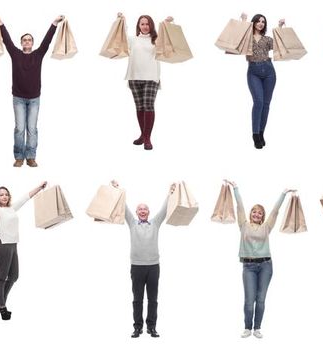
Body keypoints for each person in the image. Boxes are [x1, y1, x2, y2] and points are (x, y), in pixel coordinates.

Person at [224, 180, 294, 339]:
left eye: (260, 213)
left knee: (260, 299)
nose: (257, 214)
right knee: (249, 300)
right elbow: (239, 206)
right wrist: (235, 187)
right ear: (250, 214)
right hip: (248, 267)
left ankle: (257, 328)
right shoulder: (243, 225)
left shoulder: (266, 227)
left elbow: (275, 211)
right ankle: (247, 327)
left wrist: (284, 193)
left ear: (262, 216)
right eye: (254, 212)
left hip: (265, 265)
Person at [0, 13, 63, 167]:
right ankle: (19, 157)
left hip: (34, 99)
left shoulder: (39, 54)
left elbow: (47, 41)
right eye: (24, 39)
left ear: (32, 43)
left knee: (32, 128)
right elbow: (6, 40)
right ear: (21, 43)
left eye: (29, 40)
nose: (27, 41)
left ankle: (31, 156)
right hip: (18, 97)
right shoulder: (16, 54)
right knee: (19, 128)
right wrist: (0, 23)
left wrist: (54, 23)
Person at [0, 180, 47, 321]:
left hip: (13, 244)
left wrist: (40, 187)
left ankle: (1, 303)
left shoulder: (11, 208)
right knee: (2, 277)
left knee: (14, 276)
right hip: (2, 244)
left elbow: (25, 197)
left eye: (6, 194)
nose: (4, 196)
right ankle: (2, 306)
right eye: (1, 195)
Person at [113, 180, 172, 338]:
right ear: (137, 212)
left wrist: (170, 192)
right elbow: (124, 207)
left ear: (149, 212)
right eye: (140, 209)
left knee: (153, 299)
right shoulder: (132, 223)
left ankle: (151, 327)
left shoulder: (155, 223)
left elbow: (164, 210)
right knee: (137, 299)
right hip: (137, 266)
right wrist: (118, 189)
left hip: (153, 266)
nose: (143, 210)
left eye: (145, 209)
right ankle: (137, 327)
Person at [117, 13, 175, 151]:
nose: (145, 26)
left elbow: (167, 35)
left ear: (151, 25)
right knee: (139, 107)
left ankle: (147, 138)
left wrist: (167, 22)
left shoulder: (157, 40)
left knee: (148, 105)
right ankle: (142, 135)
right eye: (142, 24)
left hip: (151, 77)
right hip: (134, 76)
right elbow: (121, 36)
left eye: (147, 24)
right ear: (138, 26)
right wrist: (122, 20)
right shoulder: (133, 40)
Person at [230, 14, 287, 149]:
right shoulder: (247, 38)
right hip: (253, 72)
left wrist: (279, 27)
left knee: (266, 104)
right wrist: (243, 21)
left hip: (269, 72)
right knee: (258, 102)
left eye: (263, 22)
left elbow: (281, 44)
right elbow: (237, 38)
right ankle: (255, 134)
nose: (261, 23)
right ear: (254, 22)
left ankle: (261, 133)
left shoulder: (267, 39)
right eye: (258, 21)